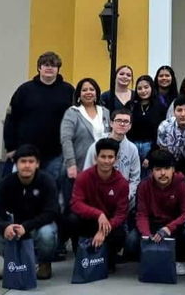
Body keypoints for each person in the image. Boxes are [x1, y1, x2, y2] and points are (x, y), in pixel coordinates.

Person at [0, 144, 59, 281]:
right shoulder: (5, 184)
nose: (27, 165)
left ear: (37, 164)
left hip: (37, 227)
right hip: (14, 229)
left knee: (48, 234)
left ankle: (44, 264)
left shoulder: (47, 181)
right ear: (16, 164)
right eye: (23, 162)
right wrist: (5, 227)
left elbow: (51, 213)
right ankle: (12, 262)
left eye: (31, 162)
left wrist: (26, 227)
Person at [2, 51, 75, 178]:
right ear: (39, 68)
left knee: (52, 189)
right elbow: (11, 119)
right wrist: (11, 147)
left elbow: (76, 119)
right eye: (45, 65)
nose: (49, 68)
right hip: (27, 151)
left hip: (57, 152)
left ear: (58, 69)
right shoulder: (24, 90)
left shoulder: (68, 90)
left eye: (53, 65)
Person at [65, 138, 129, 266]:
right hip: (88, 221)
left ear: (116, 159)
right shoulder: (84, 177)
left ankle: (109, 258)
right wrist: (98, 214)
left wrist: (104, 230)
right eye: (103, 156)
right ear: (96, 157)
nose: (106, 161)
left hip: (108, 225)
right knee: (72, 219)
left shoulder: (122, 183)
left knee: (120, 234)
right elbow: (76, 203)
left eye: (110, 157)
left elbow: (121, 214)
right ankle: (80, 256)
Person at [134, 148, 185, 276]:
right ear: (151, 172)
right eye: (157, 169)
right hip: (153, 224)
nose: (162, 173)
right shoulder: (144, 185)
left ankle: (181, 259)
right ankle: (149, 256)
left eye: (167, 168)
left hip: (176, 225)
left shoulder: (183, 184)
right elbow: (142, 214)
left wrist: (168, 228)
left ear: (173, 169)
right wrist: (146, 235)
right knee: (132, 240)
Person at [60, 78, 111, 205]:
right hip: (78, 167)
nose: (88, 92)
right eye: (84, 90)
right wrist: (71, 164)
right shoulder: (73, 112)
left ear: (97, 92)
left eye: (91, 89)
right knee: (75, 206)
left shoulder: (105, 112)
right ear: (79, 94)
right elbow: (66, 139)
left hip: (101, 168)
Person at [83, 108, 140, 203]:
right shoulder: (97, 145)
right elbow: (87, 172)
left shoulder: (132, 149)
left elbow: (135, 178)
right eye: (118, 120)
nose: (122, 124)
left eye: (126, 121)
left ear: (130, 126)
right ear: (111, 123)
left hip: (123, 198)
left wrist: (127, 196)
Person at [130, 75, 167, 171]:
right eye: (139, 88)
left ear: (152, 88)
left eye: (146, 87)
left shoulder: (160, 107)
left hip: (151, 147)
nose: (143, 91)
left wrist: (151, 154)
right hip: (133, 146)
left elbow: (161, 132)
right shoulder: (131, 106)